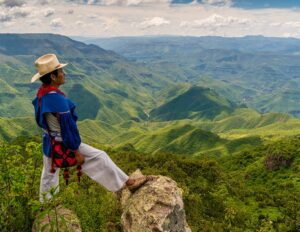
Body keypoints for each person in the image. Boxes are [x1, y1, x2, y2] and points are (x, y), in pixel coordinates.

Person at [31, 54, 146, 202]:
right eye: (60, 72)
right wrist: (76, 151)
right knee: (99, 156)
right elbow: (68, 129)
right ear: (53, 77)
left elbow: (40, 120)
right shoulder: (58, 101)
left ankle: (46, 204)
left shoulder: (42, 94)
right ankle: (128, 183)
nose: (64, 74)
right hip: (63, 143)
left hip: (49, 141)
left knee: (49, 172)